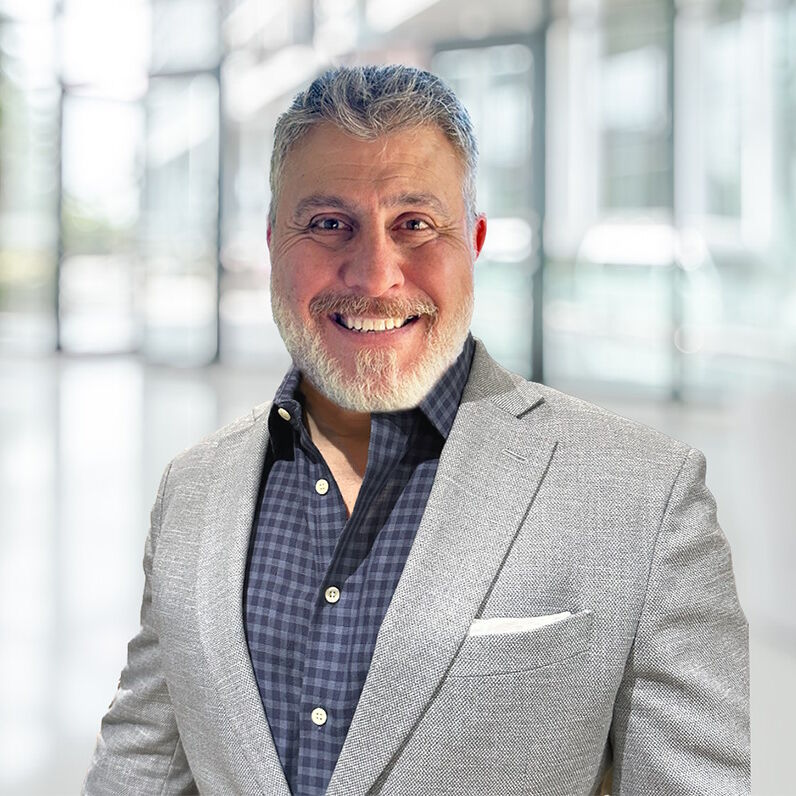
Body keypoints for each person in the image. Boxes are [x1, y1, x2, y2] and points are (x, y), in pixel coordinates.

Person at [83, 65, 749, 796]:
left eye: (415, 225)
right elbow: (139, 768)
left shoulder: (645, 498)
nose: (375, 276)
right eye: (328, 224)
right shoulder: (192, 489)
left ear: (475, 243)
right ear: (273, 242)